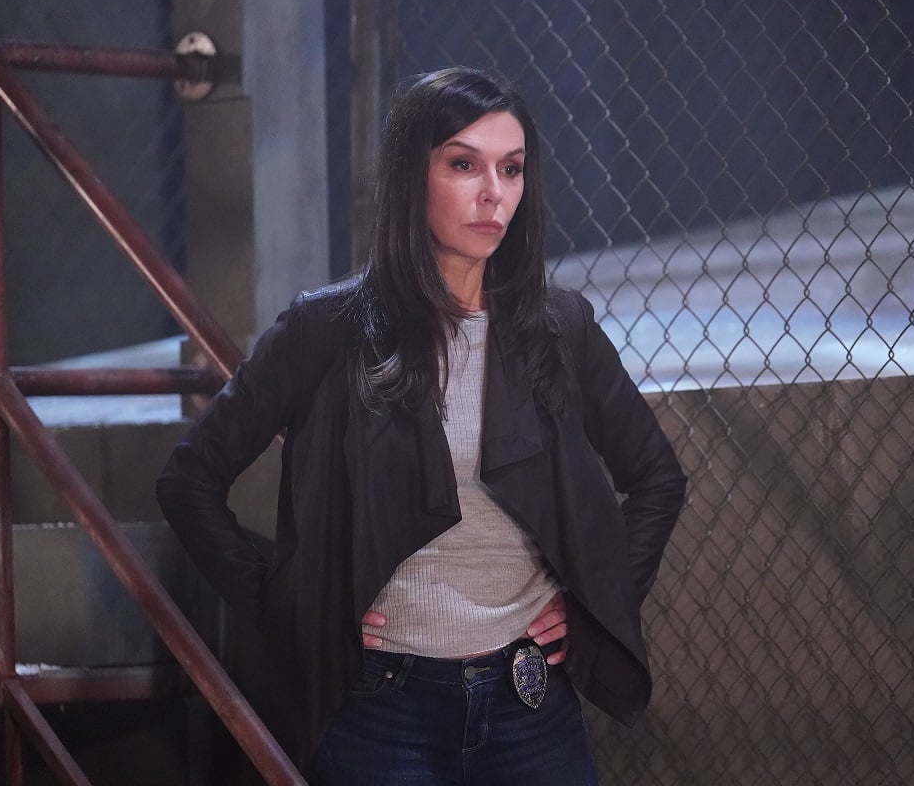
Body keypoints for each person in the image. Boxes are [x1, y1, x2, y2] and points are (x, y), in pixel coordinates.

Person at [156, 66, 687, 784]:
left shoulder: (560, 326)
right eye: (464, 164)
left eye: (512, 168)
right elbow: (189, 482)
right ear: (413, 176)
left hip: (530, 703)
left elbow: (657, 477)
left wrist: (597, 598)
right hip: (383, 707)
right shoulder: (327, 327)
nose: (493, 193)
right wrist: (294, 607)